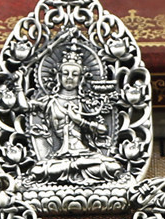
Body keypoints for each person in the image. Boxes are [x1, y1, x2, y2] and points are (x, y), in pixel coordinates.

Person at [19, 45, 123, 184]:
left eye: (74, 74)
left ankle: (77, 166)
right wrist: (18, 85)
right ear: (59, 76)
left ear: (81, 78)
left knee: (112, 166)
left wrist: (79, 121)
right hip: (59, 158)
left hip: (85, 154)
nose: (69, 78)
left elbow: (103, 129)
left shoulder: (86, 102)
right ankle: (76, 166)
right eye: (65, 73)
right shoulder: (50, 102)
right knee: (38, 170)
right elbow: (25, 106)